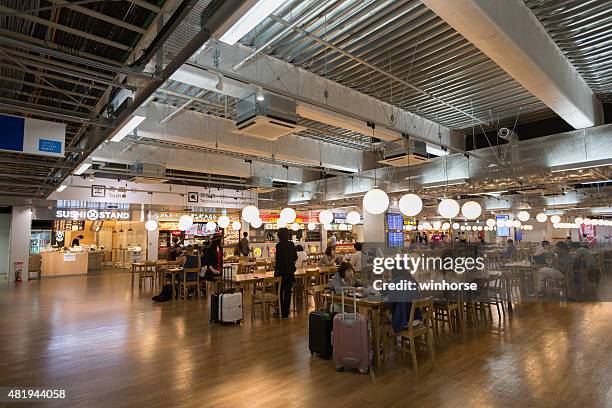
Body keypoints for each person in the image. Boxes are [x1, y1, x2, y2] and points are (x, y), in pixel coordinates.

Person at [274, 228, 297, 319]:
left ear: (279, 236)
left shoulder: (278, 246)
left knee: (279, 292)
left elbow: (278, 260)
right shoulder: (291, 244)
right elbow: (295, 257)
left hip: (281, 272)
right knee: (288, 292)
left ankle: (280, 310)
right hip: (290, 271)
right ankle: (286, 312)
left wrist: (276, 272)